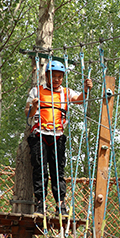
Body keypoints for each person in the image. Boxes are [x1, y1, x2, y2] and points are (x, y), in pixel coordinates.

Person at [25, 60, 93, 216]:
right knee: (40, 171)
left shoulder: (65, 92)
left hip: (57, 136)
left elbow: (80, 100)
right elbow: (27, 112)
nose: (56, 80)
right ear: (47, 76)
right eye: (53, 76)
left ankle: (60, 205)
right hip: (40, 134)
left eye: (60, 77)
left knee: (58, 172)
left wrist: (86, 90)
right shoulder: (36, 91)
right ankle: (41, 205)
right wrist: (35, 107)